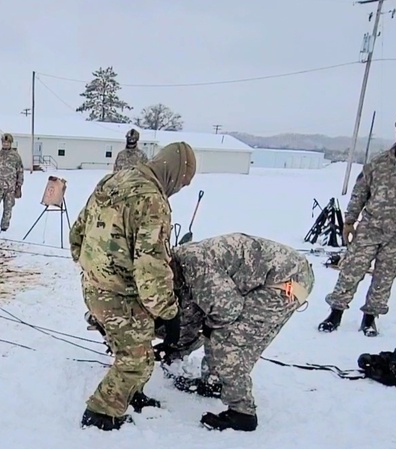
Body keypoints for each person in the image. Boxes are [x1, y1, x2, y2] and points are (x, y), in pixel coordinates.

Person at [71, 142, 197, 431]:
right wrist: (168, 311)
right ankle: (101, 412)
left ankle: (132, 394)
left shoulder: (114, 179)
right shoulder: (153, 201)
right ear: (175, 173)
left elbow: (78, 231)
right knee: (137, 361)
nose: (178, 188)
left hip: (93, 287)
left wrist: (91, 269)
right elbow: (150, 266)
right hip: (121, 296)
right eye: (182, 182)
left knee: (128, 347)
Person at [150, 233, 314, 432]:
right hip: (275, 278)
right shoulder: (181, 268)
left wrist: (206, 331)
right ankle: (214, 382)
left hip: (284, 281)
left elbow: (227, 311)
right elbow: (193, 316)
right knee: (215, 325)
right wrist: (174, 349)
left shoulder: (196, 266)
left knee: (226, 339)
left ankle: (242, 412)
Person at [318, 108, 396, 336]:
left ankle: (369, 318)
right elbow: (360, 192)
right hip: (370, 227)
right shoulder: (379, 162)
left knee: (385, 276)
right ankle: (334, 314)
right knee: (350, 270)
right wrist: (349, 221)